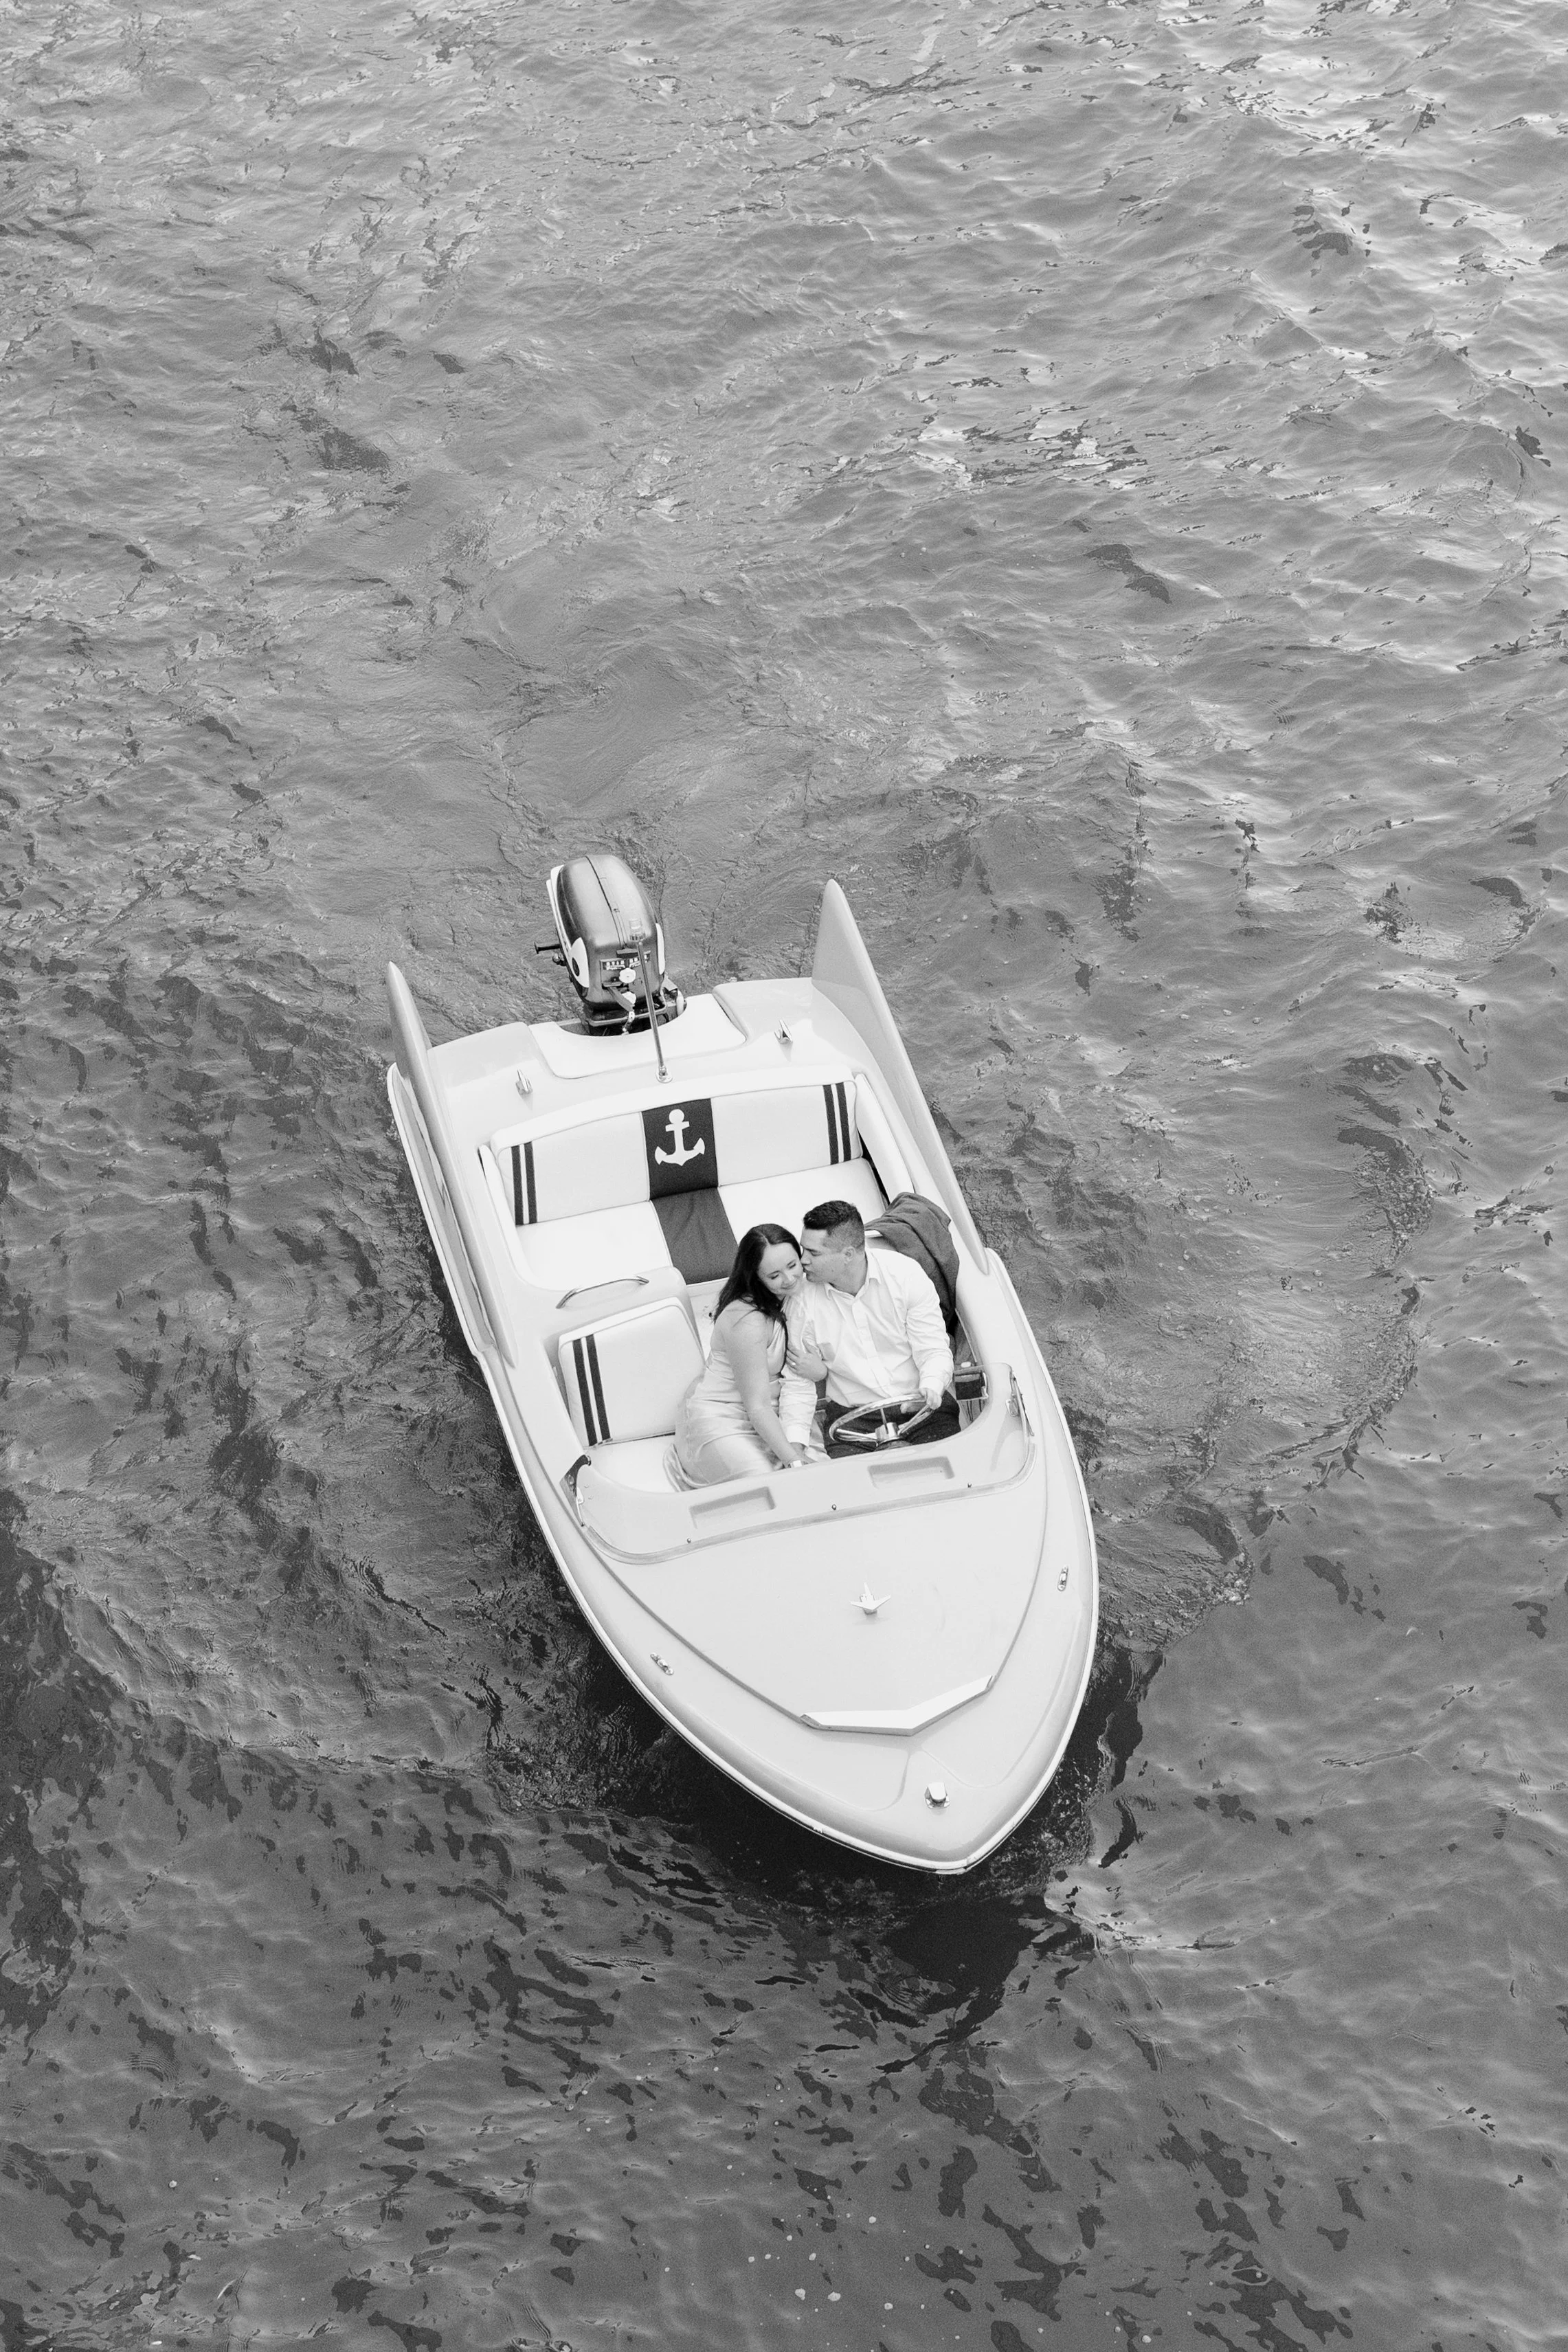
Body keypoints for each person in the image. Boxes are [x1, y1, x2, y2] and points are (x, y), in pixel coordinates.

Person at [794, 1199, 959, 1456]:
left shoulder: (905, 1275)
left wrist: (931, 1387)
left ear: (848, 1254)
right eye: (803, 1250)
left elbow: (933, 1350)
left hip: (921, 1409)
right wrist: (794, 1450)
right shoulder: (800, 1302)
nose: (802, 1261)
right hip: (851, 1424)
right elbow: (798, 1385)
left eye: (813, 1254)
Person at [671, 1224, 820, 1486]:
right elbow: (757, 1405)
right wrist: (793, 1459)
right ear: (756, 1277)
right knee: (769, 1481)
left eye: (792, 1265)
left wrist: (821, 1371)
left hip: (773, 1411)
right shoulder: (746, 1320)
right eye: (774, 1275)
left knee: (824, 1473)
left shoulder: (796, 1295)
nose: (789, 1279)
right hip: (723, 1416)